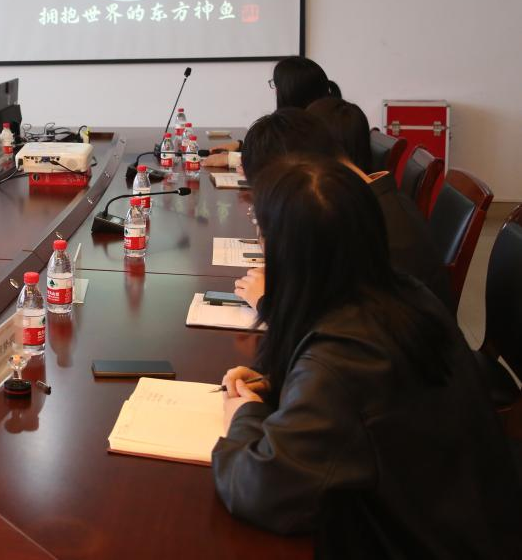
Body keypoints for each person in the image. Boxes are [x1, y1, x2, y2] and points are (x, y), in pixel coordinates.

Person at [212, 156, 522, 556]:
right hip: (477, 520)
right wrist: (284, 382)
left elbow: (262, 490)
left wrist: (243, 415)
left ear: (288, 254)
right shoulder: (404, 293)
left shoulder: (341, 361)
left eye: (263, 236)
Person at [232, 106, 452, 311]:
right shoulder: (367, 203)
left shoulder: (376, 228)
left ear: (301, 172)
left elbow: (348, 322)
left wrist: (268, 303)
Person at [204, 56, 337, 166]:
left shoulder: (309, 130)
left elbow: (282, 164)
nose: (275, 91)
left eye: (276, 84)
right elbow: (276, 151)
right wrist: (240, 146)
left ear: (288, 91)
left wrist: (231, 160)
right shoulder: (324, 118)